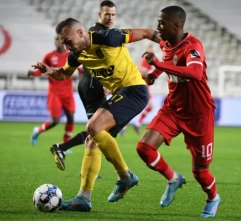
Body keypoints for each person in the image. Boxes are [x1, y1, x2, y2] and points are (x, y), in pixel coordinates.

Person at [32, 18, 160, 211]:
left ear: (81, 33)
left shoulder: (109, 37)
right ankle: (83, 198)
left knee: (93, 126)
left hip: (134, 90)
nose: (66, 47)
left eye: (68, 41)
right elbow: (64, 74)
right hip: (120, 93)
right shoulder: (76, 55)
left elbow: (147, 32)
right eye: (63, 43)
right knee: (91, 140)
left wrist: (171, 45)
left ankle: (126, 176)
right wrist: (50, 70)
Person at [136, 6, 221, 218]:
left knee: (200, 173)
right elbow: (166, 62)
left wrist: (157, 64)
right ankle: (173, 179)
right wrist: (155, 72)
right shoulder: (166, 43)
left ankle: (212, 197)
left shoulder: (193, 46)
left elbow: (194, 72)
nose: (158, 27)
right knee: (144, 148)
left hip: (199, 115)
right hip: (173, 109)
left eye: (162, 23)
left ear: (176, 25)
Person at [50, 0, 116, 171]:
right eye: (107, 14)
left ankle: (86, 164)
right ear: (99, 15)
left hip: (93, 84)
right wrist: (104, 82)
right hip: (93, 85)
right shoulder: (96, 33)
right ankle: (63, 149)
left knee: (98, 130)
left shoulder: (103, 32)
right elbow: (89, 61)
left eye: (113, 14)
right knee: (98, 129)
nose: (110, 17)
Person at [28, 36, 75, 146]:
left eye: (60, 40)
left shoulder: (70, 55)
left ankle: (65, 144)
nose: (58, 42)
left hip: (68, 91)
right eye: (56, 40)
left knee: (71, 117)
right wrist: (33, 73)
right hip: (55, 92)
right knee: (55, 121)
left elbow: (79, 67)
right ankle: (37, 130)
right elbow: (41, 70)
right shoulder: (49, 56)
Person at [122, 44, 155, 136]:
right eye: (150, 50)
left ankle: (136, 123)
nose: (152, 52)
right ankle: (126, 124)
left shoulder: (150, 60)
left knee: (149, 106)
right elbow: (141, 70)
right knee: (138, 106)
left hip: (146, 85)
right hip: (143, 85)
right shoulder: (146, 59)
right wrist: (151, 73)